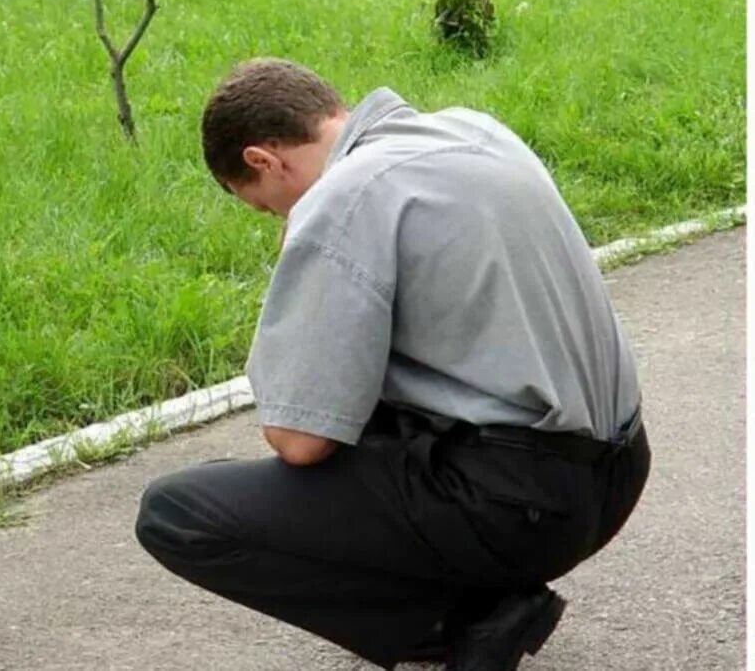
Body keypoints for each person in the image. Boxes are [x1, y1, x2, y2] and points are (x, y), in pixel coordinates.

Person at [135, 58, 651, 671]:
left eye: (264, 206)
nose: (277, 218)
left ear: (262, 161)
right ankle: (482, 592)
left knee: (177, 515)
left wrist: (301, 257)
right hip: (617, 471)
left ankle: (466, 617)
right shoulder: (472, 129)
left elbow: (300, 439)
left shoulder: (344, 198)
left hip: (519, 507)